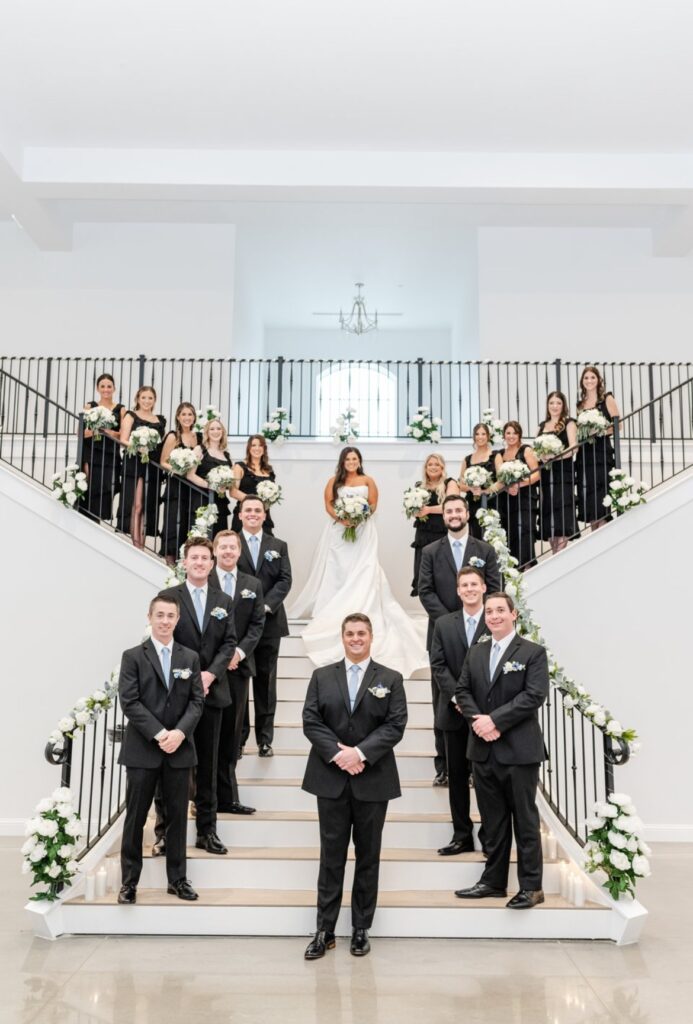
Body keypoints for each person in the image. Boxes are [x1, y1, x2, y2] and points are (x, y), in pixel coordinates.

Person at [302, 613, 408, 959]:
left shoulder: (390, 678)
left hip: (372, 779)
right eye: (350, 633)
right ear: (342, 637)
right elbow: (311, 720)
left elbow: (395, 725)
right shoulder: (321, 676)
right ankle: (325, 930)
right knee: (331, 857)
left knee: (368, 856)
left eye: (362, 633)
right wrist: (339, 755)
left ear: (371, 637)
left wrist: (361, 753)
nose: (356, 638)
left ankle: (361, 928)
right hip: (330, 778)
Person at [289, 447, 428, 679]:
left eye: (355, 459)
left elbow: (373, 505)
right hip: (338, 531)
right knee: (338, 568)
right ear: (342, 461)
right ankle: (332, 607)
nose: (351, 462)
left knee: (363, 568)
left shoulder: (368, 480)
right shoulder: (334, 481)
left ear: (359, 461)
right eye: (347, 459)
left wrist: (359, 517)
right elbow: (328, 504)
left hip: (364, 531)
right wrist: (342, 518)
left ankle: (362, 603)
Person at [454, 592, 549, 909]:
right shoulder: (476, 652)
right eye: (489, 611)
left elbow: (534, 695)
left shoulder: (532, 653)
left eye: (500, 610)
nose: (494, 615)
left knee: (524, 820)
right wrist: (478, 722)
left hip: (519, 751)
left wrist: (495, 720)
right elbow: (462, 690)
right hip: (482, 750)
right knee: (492, 823)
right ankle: (493, 882)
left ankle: (532, 887)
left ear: (513, 614)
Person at [117, 594, 204, 905]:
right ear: (150, 617)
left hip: (179, 751)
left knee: (178, 817)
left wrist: (179, 733)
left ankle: (177, 879)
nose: (166, 621)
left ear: (177, 620)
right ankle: (129, 882)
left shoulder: (190, 658)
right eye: (160, 615)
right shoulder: (133, 656)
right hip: (143, 750)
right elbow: (130, 701)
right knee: (136, 817)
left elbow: (197, 701)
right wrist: (159, 733)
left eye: (171, 616)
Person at [157, 536, 237, 855]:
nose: (200, 563)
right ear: (185, 562)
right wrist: (191, 676)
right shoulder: (169, 597)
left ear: (212, 563)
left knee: (209, 765)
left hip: (213, 692)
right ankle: (165, 833)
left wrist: (210, 674)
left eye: (206, 558)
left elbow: (229, 643)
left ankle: (207, 830)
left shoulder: (223, 600)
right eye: (195, 558)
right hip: (177, 695)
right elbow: (165, 640)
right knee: (172, 766)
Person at [418, 494, 501, 786]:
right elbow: (424, 590)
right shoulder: (429, 551)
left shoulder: (485, 549)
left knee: (481, 698)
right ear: (443, 516)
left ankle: (476, 766)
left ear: (467, 513)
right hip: (443, 637)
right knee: (442, 702)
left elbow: (494, 589)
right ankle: (445, 766)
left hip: (481, 637)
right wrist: (449, 623)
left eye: (458, 510)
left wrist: (476, 618)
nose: (454, 514)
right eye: (448, 511)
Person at [429, 567, 490, 856]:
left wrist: (476, 704)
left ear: (483, 587)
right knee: (456, 779)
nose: (469, 589)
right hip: (453, 712)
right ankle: (461, 835)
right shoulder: (443, 624)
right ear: (457, 591)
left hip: (485, 714)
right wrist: (457, 697)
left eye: (473, 584)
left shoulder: (494, 621)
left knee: (487, 778)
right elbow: (438, 665)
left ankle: (490, 835)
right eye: (464, 585)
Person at [209, 529, 266, 814]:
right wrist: (219, 659)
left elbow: (257, 626)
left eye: (233, 547)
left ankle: (228, 797)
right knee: (208, 734)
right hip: (210, 671)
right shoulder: (203, 580)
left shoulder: (252, 584)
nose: (229, 552)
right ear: (215, 550)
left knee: (232, 734)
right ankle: (203, 798)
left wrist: (238, 653)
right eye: (224, 547)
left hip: (238, 669)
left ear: (239, 551)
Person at [236, 495, 293, 757]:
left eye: (257, 510)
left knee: (266, 683)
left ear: (264, 515)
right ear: (239, 514)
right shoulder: (230, 543)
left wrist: (266, 605)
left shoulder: (278, 545)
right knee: (240, 683)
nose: (253, 514)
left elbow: (284, 579)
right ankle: (239, 737)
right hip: (238, 625)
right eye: (248, 510)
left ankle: (265, 739)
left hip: (270, 624)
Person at [118, 385, 166, 548]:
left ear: (154, 400)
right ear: (138, 399)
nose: (146, 401)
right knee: (136, 504)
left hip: (151, 466)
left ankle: (142, 544)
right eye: (143, 397)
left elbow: (161, 445)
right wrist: (138, 446)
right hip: (135, 462)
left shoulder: (160, 420)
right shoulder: (131, 416)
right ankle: (136, 545)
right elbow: (123, 440)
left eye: (150, 398)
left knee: (147, 505)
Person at [159, 402, 205, 564]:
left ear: (194, 418)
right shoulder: (173, 436)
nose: (187, 418)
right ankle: (171, 565)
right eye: (184, 414)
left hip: (192, 488)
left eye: (190, 414)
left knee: (188, 523)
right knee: (173, 522)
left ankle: (186, 563)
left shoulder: (198, 437)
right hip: (176, 486)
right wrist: (178, 469)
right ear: (178, 417)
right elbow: (163, 461)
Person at [575, 366, 620, 530]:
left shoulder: (607, 398)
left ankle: (603, 531)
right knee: (589, 496)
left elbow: (618, 425)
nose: (589, 381)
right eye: (586, 378)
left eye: (592, 377)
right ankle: (594, 530)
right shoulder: (580, 405)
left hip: (601, 452)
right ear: (582, 382)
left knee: (602, 495)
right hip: (585, 454)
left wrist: (599, 431)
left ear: (598, 380)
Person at [409, 453, 459, 597]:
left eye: (436, 464)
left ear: (442, 467)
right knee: (424, 572)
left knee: (442, 571)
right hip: (423, 534)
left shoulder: (450, 483)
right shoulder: (419, 486)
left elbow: (451, 505)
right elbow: (414, 509)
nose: (433, 467)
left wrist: (428, 510)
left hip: (442, 533)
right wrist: (415, 512)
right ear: (425, 468)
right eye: (430, 464)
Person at [494, 421, 540, 569]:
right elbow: (500, 478)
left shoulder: (526, 450)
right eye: (508, 433)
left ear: (519, 434)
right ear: (504, 435)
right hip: (507, 500)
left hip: (525, 497)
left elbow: (536, 474)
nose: (511, 436)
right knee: (511, 532)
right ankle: (514, 569)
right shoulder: (500, 454)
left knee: (525, 530)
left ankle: (527, 565)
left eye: (514, 433)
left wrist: (519, 485)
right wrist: (508, 488)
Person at [79, 372, 125, 523]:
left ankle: (98, 523)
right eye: (102, 386)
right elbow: (80, 433)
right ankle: (87, 522)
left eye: (109, 386)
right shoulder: (90, 406)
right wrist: (96, 430)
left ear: (114, 388)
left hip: (110, 455)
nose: (106, 389)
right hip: (91, 453)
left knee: (106, 490)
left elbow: (124, 435)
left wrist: (111, 432)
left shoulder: (121, 409)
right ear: (98, 388)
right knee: (90, 488)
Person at [536, 391, 578, 554]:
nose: (555, 406)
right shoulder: (542, 426)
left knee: (561, 515)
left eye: (558, 403)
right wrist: (542, 455)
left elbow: (574, 447)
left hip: (562, 474)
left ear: (563, 405)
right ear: (548, 405)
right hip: (547, 475)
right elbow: (535, 451)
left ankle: (558, 555)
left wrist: (555, 455)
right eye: (552, 403)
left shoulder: (569, 423)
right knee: (550, 514)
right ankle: (555, 553)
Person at [185, 418, 235, 537]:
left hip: (220, 501)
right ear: (207, 432)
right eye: (212, 429)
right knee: (202, 536)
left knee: (219, 536)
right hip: (202, 498)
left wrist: (225, 486)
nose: (216, 431)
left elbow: (229, 482)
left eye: (219, 429)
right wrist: (211, 485)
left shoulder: (226, 455)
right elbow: (190, 475)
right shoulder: (200, 449)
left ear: (222, 432)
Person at [230, 434, 277, 535]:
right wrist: (254, 502)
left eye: (260, 445)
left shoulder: (269, 470)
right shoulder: (239, 467)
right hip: (244, 514)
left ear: (264, 449)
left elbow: (272, 496)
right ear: (248, 448)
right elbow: (233, 492)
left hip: (263, 515)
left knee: (266, 546)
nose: (257, 448)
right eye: (253, 445)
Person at [457, 422, 497, 539]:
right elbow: (460, 484)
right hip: (473, 503)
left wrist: (487, 491)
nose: (480, 437)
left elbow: (501, 481)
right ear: (474, 437)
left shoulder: (496, 455)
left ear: (488, 436)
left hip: (492, 501)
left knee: (491, 535)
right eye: (477, 434)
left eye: (483, 434)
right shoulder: (467, 459)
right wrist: (471, 488)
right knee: (476, 533)